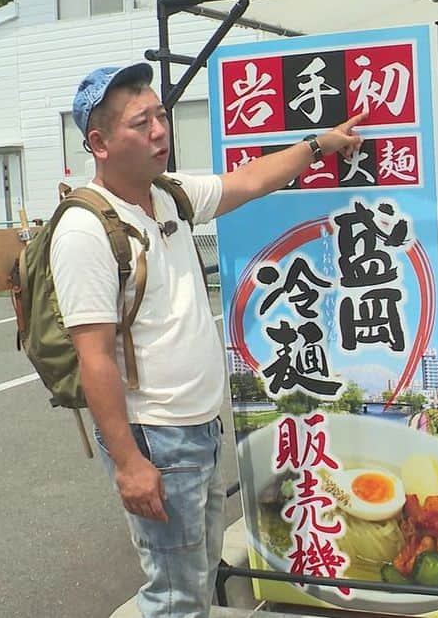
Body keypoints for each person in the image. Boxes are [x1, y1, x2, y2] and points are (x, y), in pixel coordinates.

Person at [52, 63, 365, 617]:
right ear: (98, 143)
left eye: (160, 116)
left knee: (194, 576)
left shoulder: (167, 194)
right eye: (140, 122)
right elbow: (93, 354)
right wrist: (128, 463)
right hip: (158, 437)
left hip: (196, 429)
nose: (159, 131)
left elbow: (251, 180)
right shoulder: (84, 229)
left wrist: (321, 144)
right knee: (175, 593)